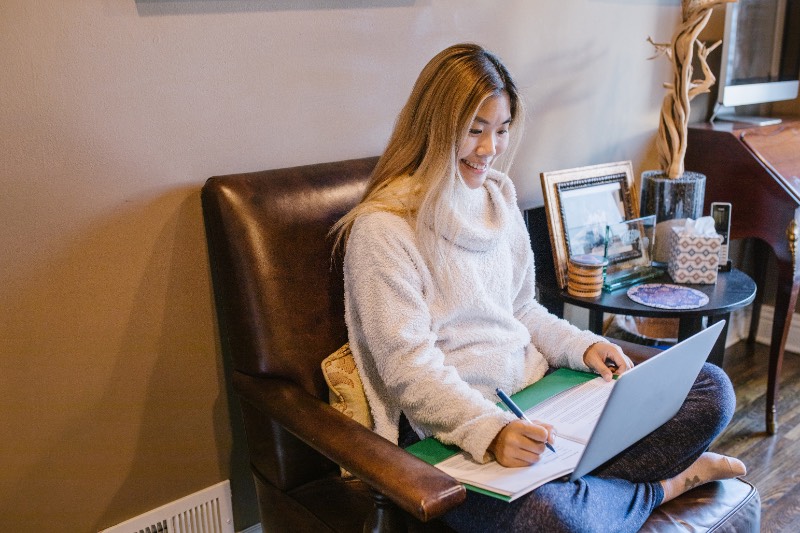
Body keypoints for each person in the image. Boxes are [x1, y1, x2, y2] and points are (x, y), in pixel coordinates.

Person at [331, 43, 746, 532]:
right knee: (550, 516)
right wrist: (490, 431)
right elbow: (407, 369)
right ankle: (665, 487)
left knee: (710, 389)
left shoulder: (496, 201)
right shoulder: (383, 230)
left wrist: (583, 346)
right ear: (435, 126)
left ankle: (587, 486)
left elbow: (523, 308)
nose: (491, 149)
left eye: (502, 130)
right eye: (475, 130)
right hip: (453, 432)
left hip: (541, 399)